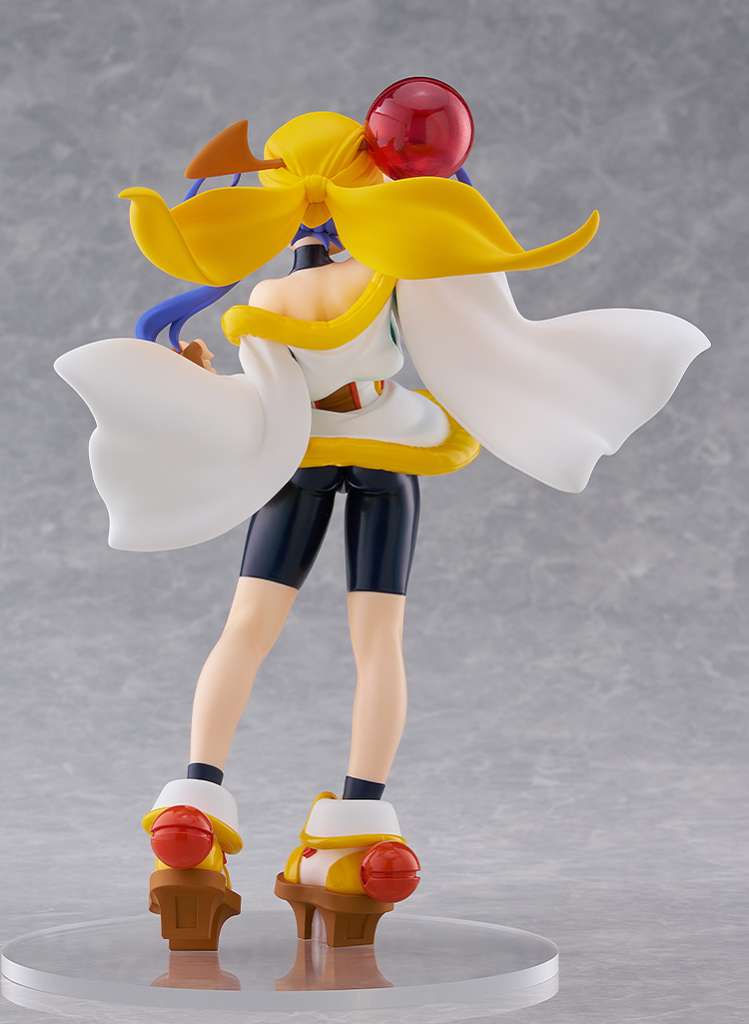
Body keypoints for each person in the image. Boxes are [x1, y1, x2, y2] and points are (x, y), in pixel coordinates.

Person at [55, 82, 709, 950]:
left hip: (297, 461)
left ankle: (194, 813)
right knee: (378, 643)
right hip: (388, 456)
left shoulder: (270, 301)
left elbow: (264, 395)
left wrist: (192, 378)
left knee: (246, 630)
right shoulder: (395, 270)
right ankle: (359, 835)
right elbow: (456, 344)